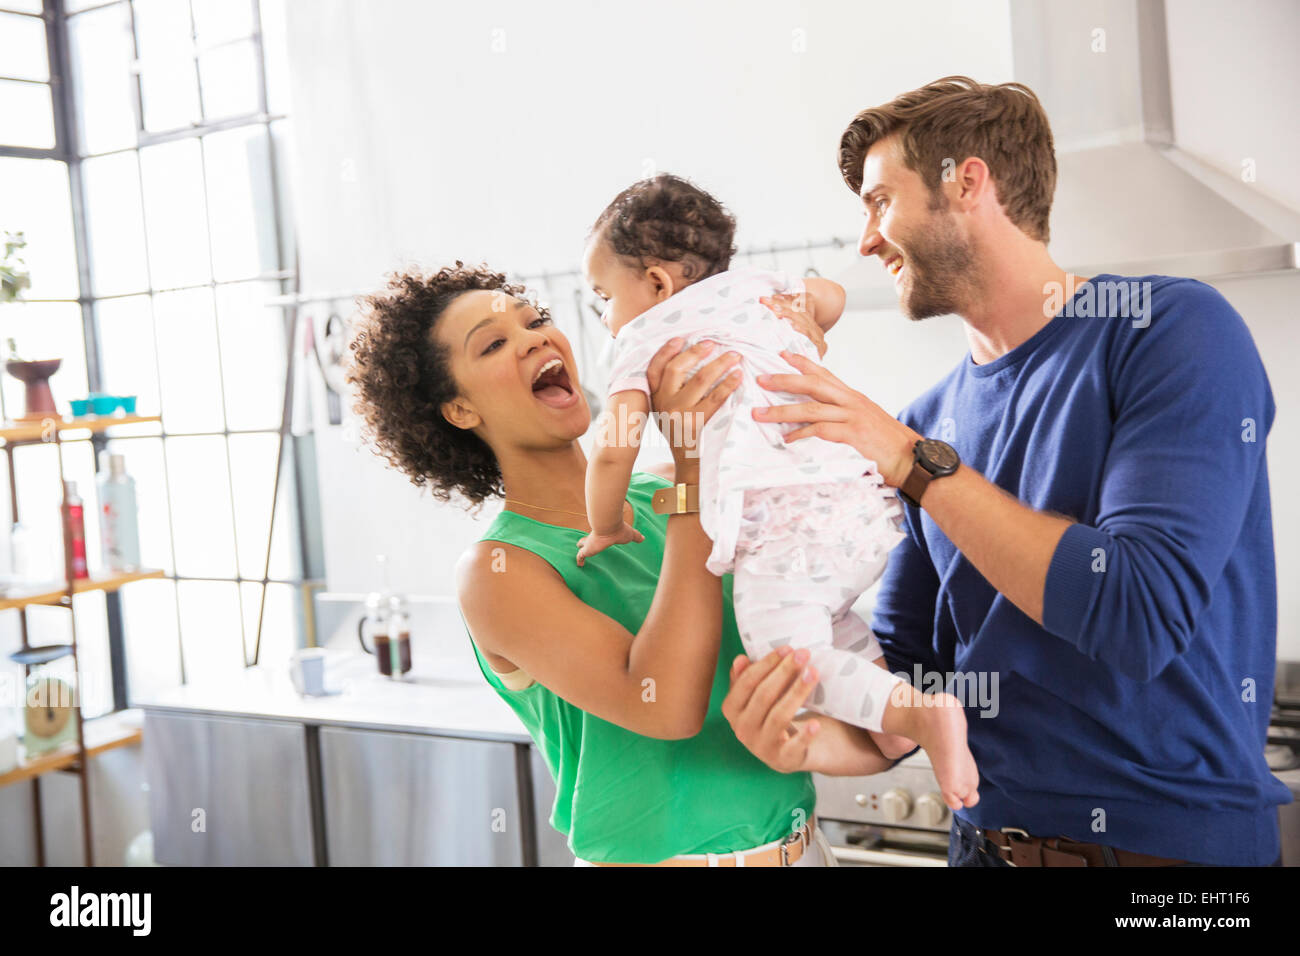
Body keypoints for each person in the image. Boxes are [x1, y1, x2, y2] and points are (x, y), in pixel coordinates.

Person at [724, 75, 1292, 867]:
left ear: (968, 182)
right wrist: (814, 742)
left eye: (881, 200)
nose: (865, 241)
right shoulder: (923, 423)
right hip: (985, 849)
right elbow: (912, 685)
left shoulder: (1168, 331)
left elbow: (1137, 611)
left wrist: (909, 463)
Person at [345, 261, 860, 865]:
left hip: (807, 849)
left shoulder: (660, 493)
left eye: (535, 320)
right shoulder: (498, 570)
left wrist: (782, 350)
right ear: (460, 410)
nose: (535, 337)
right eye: (493, 344)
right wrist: (694, 472)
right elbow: (663, 704)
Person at [578, 173, 978, 811]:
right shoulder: (756, 289)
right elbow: (832, 294)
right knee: (834, 624)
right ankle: (889, 725)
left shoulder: (642, 340)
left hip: (787, 527)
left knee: (786, 651)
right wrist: (807, 318)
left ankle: (922, 716)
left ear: (655, 284)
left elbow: (612, 448)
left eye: (603, 295)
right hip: (861, 502)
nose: (604, 313)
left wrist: (604, 521)